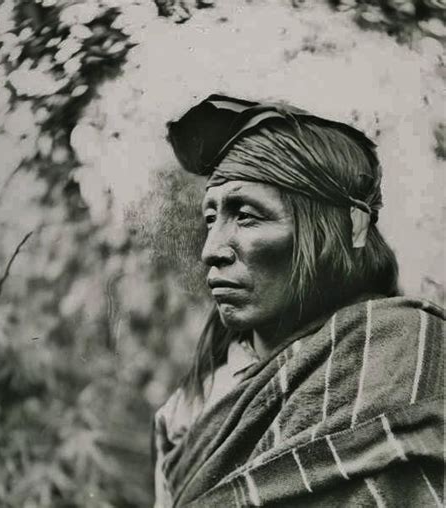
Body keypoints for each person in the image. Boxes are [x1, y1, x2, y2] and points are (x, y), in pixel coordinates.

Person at [152, 94, 444, 507]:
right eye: (211, 219)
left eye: (247, 215)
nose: (211, 249)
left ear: (334, 232)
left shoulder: (407, 355)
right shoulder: (184, 415)